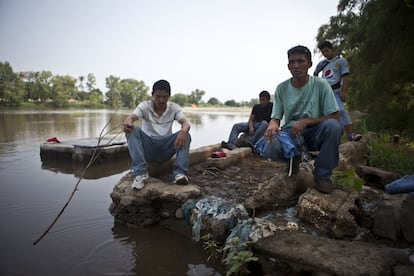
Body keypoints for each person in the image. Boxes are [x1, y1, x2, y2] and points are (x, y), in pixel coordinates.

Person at [263, 45, 343, 194]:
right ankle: (293, 161)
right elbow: (276, 118)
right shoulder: (281, 88)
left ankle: (322, 176)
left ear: (309, 64)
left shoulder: (321, 84)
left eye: (300, 61)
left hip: (315, 131)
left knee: (334, 127)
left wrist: (306, 121)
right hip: (290, 132)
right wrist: (272, 126)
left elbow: (336, 116)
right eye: (292, 62)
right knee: (271, 144)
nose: (296, 66)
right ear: (288, 66)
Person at [123, 79, 191, 190]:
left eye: (164, 97)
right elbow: (132, 117)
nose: (161, 100)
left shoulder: (174, 108)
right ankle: (140, 173)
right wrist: (128, 122)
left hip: (165, 148)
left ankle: (180, 174)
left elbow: (185, 123)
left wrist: (183, 131)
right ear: (152, 94)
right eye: (158, 96)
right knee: (133, 130)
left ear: (169, 96)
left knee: (186, 135)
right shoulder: (145, 106)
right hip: (149, 147)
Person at [314, 40, 361, 142]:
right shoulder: (322, 64)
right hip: (324, 92)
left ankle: (350, 135)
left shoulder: (341, 61)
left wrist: (344, 92)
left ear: (332, 49)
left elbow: (345, 77)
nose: (325, 54)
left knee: (341, 111)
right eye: (323, 52)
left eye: (327, 51)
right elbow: (315, 74)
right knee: (324, 115)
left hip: (336, 91)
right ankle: (330, 139)